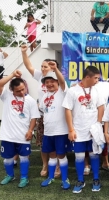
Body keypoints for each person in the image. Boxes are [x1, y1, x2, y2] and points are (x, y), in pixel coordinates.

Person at [62, 66, 105, 193]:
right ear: (87, 77)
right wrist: (71, 130)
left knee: (94, 155)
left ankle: (96, 179)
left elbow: (101, 107)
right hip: (78, 130)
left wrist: (98, 124)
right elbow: (67, 110)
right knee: (79, 156)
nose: (97, 80)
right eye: (96, 78)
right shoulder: (73, 91)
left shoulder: (96, 90)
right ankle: (80, 180)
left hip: (93, 131)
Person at [21, 45, 60, 178]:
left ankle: (58, 166)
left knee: (57, 143)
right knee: (43, 142)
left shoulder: (58, 80)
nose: (43, 69)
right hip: (43, 115)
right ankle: (45, 164)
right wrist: (24, 52)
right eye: (42, 66)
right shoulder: (39, 77)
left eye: (46, 67)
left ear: (52, 68)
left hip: (57, 116)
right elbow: (28, 66)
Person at [0, 70, 40, 188]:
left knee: (24, 157)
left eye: (23, 89)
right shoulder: (6, 96)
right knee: (7, 158)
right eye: (18, 91)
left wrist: (30, 131)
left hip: (23, 135)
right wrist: (12, 75)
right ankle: (10, 175)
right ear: (12, 90)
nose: (21, 92)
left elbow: (34, 117)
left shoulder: (30, 100)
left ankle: (24, 177)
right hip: (7, 134)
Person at [39, 62, 71, 190]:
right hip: (48, 132)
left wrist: (55, 69)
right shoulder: (44, 96)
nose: (49, 84)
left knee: (61, 155)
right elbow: (42, 111)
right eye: (47, 82)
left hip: (61, 131)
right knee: (52, 155)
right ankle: (50, 177)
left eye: (52, 81)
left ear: (57, 82)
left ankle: (65, 178)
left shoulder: (62, 93)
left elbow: (63, 82)